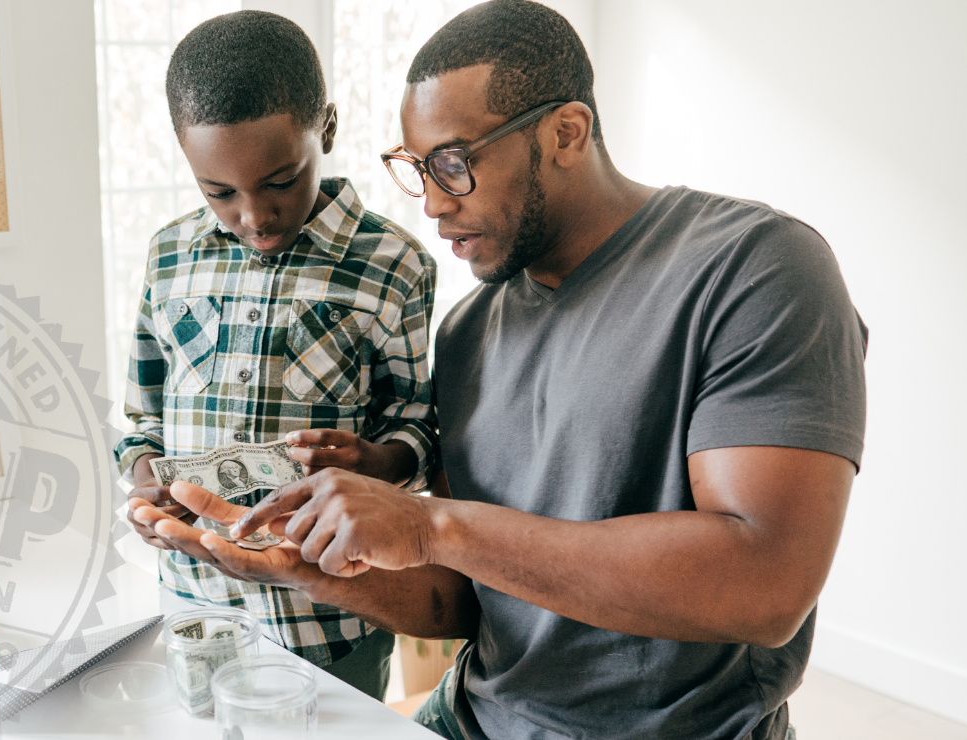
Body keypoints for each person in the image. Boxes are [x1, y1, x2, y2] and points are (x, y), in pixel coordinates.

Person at [130, 2, 867, 739]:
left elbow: (764, 588)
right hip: (475, 717)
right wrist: (299, 563)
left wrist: (429, 523)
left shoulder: (754, 268)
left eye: (455, 164)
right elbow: (462, 602)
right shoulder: (468, 332)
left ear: (566, 134)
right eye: (417, 170)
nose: (434, 205)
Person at [115, 11, 438, 701]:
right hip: (195, 607)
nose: (255, 214)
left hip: (329, 621)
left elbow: (419, 430)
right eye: (220, 192)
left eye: (281, 180)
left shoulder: (394, 266)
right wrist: (147, 481)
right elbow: (141, 417)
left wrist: (377, 462)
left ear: (325, 129)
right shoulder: (169, 258)